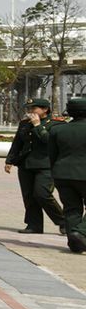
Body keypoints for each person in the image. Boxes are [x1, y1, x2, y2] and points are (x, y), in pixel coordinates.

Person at [4, 98, 66, 235]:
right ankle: (34, 225)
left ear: (45, 109)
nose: (30, 112)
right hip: (26, 164)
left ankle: (63, 221)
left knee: (42, 193)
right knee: (29, 196)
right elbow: (17, 142)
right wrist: (9, 160)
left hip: (46, 165)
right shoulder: (25, 123)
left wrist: (38, 125)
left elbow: (48, 142)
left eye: (34, 108)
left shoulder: (56, 125)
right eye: (29, 109)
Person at [50, 97, 86, 254]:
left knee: (71, 209)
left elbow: (52, 155)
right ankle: (80, 233)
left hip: (62, 174)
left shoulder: (57, 129)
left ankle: (75, 242)